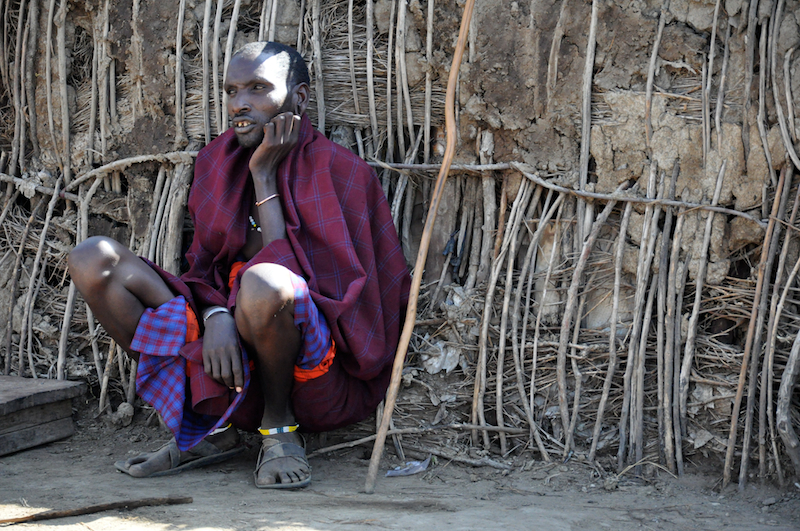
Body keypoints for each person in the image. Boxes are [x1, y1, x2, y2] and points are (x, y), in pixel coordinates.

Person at [68, 41, 410, 489]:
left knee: (263, 280)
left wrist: (264, 175)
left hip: (309, 370)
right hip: (224, 348)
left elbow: (322, 289)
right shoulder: (218, 162)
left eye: (258, 89)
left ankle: (279, 431)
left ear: (299, 98)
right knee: (93, 258)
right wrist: (215, 316)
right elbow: (203, 269)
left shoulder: (339, 171)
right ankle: (214, 430)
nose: (240, 104)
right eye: (232, 91)